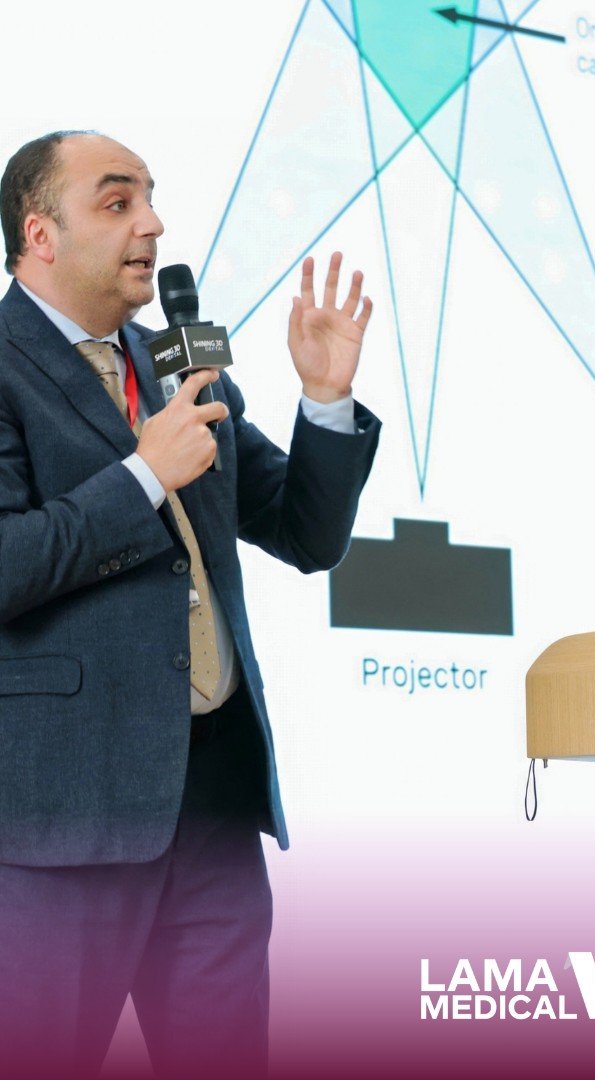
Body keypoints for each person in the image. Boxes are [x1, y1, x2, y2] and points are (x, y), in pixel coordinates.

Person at [0, 130, 380, 1078]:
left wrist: (325, 401)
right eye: (117, 201)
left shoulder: (177, 363)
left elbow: (304, 534)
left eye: (151, 198)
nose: (154, 224)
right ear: (40, 233)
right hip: (63, 824)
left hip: (213, 811)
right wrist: (141, 477)